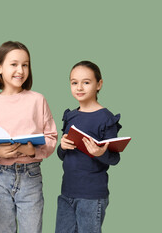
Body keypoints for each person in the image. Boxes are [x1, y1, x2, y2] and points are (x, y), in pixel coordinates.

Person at [0, 41, 58, 233]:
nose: (20, 70)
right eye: (14, 64)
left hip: (30, 175)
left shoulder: (37, 100)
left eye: (25, 65)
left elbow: (52, 137)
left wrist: (33, 151)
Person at [55, 60, 121, 233]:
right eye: (74, 83)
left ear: (99, 84)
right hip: (67, 191)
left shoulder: (106, 118)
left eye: (86, 82)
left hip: (92, 195)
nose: (79, 87)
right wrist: (62, 146)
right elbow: (63, 155)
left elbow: (114, 158)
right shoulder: (70, 116)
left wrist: (99, 153)